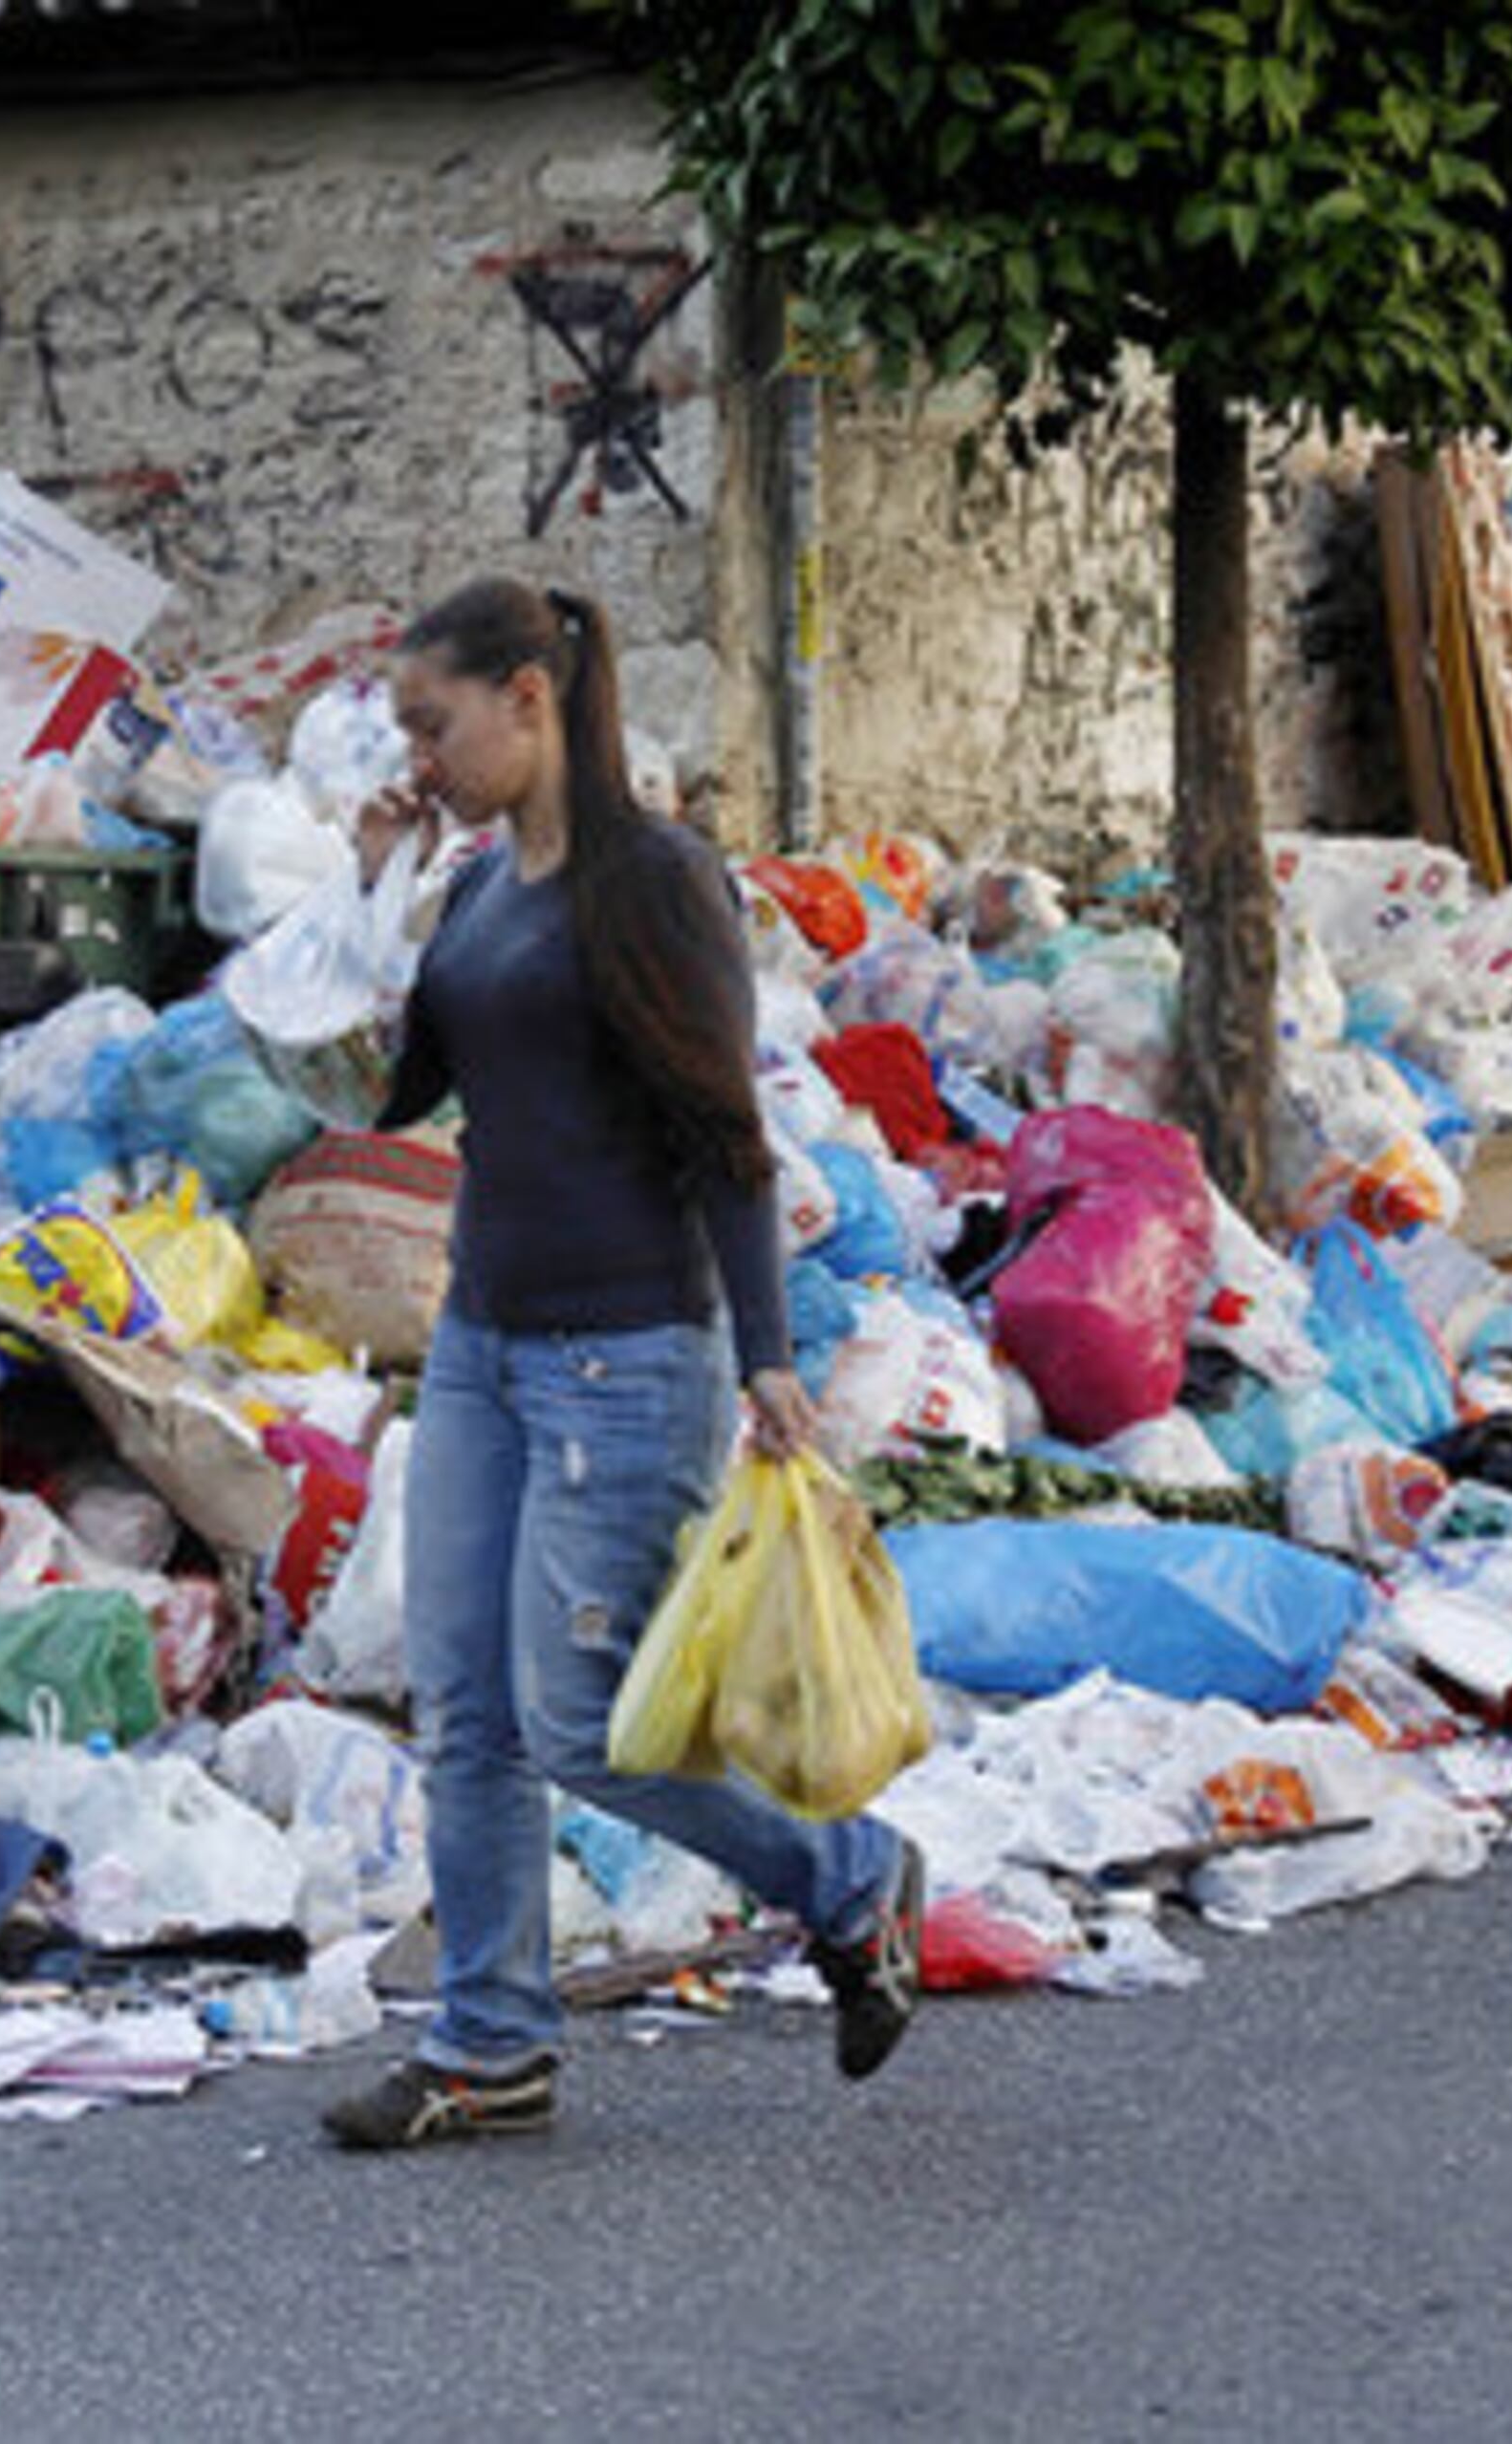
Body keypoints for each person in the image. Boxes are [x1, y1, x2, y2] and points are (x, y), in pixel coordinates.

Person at [320, 578, 925, 2152]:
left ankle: (851, 1876)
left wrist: (769, 1359)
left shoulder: (656, 882)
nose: (420, 756)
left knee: (583, 1717)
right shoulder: (473, 890)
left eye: (433, 724)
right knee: (461, 1708)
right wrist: (375, 885)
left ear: (529, 699)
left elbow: (724, 1129)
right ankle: (490, 2043)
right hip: (480, 1346)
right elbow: (381, 1094)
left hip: (625, 1353)